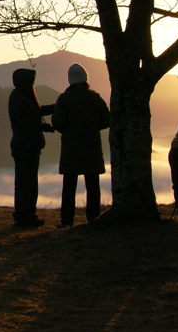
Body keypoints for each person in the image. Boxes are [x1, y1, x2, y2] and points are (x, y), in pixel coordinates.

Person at [52, 63, 110, 228]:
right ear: (86, 79)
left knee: (69, 186)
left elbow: (57, 122)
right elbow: (106, 120)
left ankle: (66, 220)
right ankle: (93, 218)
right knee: (93, 185)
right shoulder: (95, 98)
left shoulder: (64, 99)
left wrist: (68, 131)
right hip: (92, 146)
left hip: (71, 148)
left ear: (70, 80)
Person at [8, 68, 55, 227]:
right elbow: (24, 123)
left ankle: (24, 215)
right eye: (31, 80)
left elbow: (37, 112)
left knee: (24, 183)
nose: (32, 83)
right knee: (27, 183)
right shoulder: (18, 98)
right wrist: (43, 127)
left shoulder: (20, 96)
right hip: (25, 147)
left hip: (24, 146)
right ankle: (26, 216)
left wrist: (56, 106)